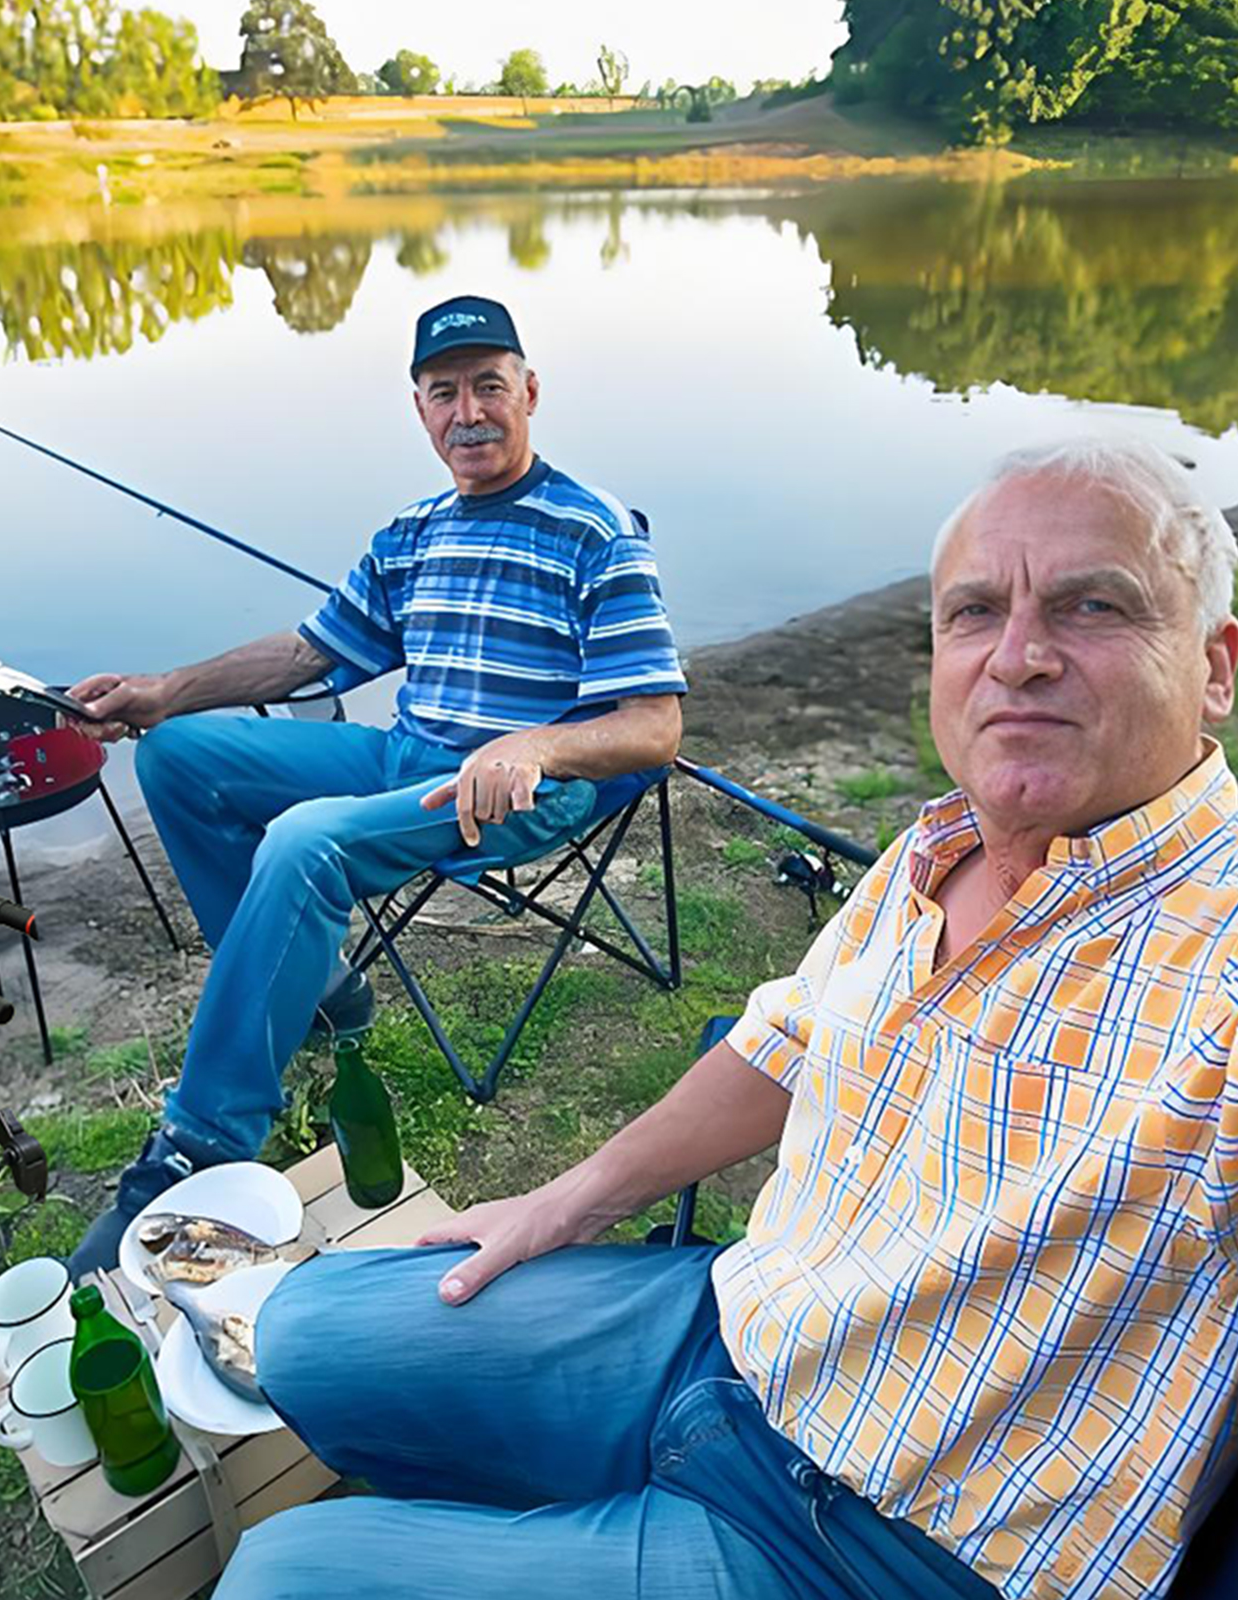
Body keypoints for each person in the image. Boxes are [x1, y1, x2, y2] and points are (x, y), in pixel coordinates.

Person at [219, 438, 1238, 1600]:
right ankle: (552, 1512)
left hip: (869, 1548)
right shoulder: (937, 846)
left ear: (1214, 666)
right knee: (305, 1327)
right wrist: (559, 1203)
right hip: (734, 1331)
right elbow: (785, 1041)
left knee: (279, 1576)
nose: (1017, 656)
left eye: (1091, 605)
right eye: (973, 613)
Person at [65, 295, 687, 1275]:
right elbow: (309, 653)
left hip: (521, 790)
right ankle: (312, 987)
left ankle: (201, 1142)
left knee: (305, 839)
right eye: (445, 392)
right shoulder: (411, 533)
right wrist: (162, 692)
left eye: (489, 386)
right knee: (177, 756)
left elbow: (655, 725)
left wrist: (536, 748)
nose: (468, 412)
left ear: (530, 392)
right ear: (420, 409)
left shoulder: (595, 529)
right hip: (406, 758)